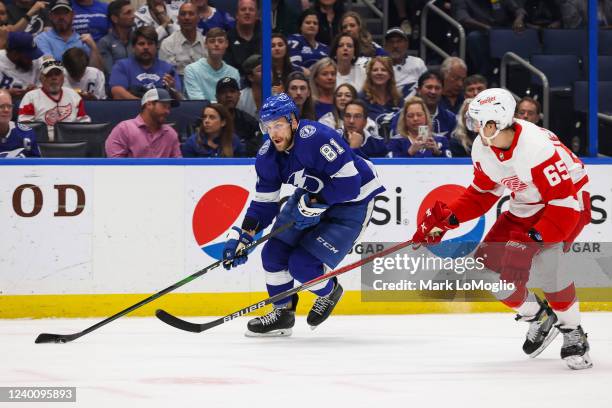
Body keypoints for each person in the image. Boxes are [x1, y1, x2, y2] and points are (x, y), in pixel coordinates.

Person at [411, 88, 592, 370]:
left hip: (567, 206)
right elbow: (482, 193)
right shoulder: (483, 148)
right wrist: (447, 221)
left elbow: (564, 205)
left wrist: (532, 240)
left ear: (495, 123)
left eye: (477, 122)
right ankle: (538, 317)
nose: (473, 128)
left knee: (548, 268)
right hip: (525, 206)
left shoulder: (536, 149)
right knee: (484, 268)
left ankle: (573, 332)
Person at [222, 92, 385, 337]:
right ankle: (282, 314)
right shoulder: (267, 157)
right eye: (268, 127)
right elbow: (264, 204)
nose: (274, 133)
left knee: (302, 266)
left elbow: (350, 185)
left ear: (293, 121)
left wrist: (316, 203)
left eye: (279, 125)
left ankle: (329, 292)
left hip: (354, 202)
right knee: (273, 253)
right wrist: (245, 237)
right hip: (313, 194)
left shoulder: (316, 138)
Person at [18, 57, 91, 141]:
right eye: (49, 75)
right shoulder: (30, 97)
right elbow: (24, 127)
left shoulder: (74, 96)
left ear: (63, 77)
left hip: (71, 144)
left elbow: (84, 124)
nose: (54, 78)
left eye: (57, 74)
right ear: (41, 78)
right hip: (42, 145)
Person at [105, 87, 181, 158]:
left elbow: (179, 165)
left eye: (169, 108)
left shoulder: (171, 133)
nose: (167, 111)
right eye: (164, 106)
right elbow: (115, 165)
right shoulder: (124, 129)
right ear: (149, 104)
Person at [110, 26, 182, 100]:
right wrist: (144, 104)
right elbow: (117, 93)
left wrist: (173, 90)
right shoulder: (122, 66)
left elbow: (179, 99)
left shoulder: (168, 68)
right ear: (133, 48)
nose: (146, 47)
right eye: (141, 44)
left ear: (157, 46)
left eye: (150, 43)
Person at [34, 0, 103, 70]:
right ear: (50, 16)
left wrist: (93, 48)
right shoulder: (42, 39)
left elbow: (96, 72)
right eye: (57, 13)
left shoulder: (83, 41)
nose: (61, 17)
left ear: (73, 15)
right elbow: (50, 69)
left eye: (65, 13)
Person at [184, 27, 239, 101]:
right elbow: (198, 101)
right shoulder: (191, 70)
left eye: (220, 41)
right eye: (212, 41)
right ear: (205, 44)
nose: (216, 44)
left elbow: (235, 101)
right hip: (202, 112)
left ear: (226, 44)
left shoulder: (234, 72)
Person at [215, 76, 261, 157]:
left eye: (232, 91)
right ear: (216, 97)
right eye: (223, 92)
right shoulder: (209, 119)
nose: (228, 95)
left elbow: (258, 144)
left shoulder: (248, 121)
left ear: (239, 95)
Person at [159, 2, 207, 77]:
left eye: (191, 14)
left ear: (198, 18)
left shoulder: (206, 43)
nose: (187, 17)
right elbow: (167, 73)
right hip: (178, 83)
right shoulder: (168, 44)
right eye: (183, 14)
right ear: (178, 19)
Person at [383, 27, 426, 98]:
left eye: (399, 41)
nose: (395, 46)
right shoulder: (379, 66)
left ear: (406, 44)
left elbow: (427, 86)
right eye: (391, 42)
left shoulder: (418, 63)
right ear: (385, 46)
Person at [358, 56, 402, 122]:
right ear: (369, 75)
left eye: (383, 70)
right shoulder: (361, 99)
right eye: (375, 70)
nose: (379, 73)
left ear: (390, 74)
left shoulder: (398, 99)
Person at [0, 32, 43, 99]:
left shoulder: (37, 61)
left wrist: (37, 90)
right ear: (15, 54)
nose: (32, 60)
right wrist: (6, 93)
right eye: (28, 57)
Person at [98, 0, 135, 76]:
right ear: (115, 18)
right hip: (117, 84)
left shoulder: (138, 38)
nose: (133, 16)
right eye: (128, 13)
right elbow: (110, 72)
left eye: (132, 12)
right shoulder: (105, 42)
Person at [224, 0, 261, 75]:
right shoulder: (227, 39)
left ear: (257, 15)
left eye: (251, 9)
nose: (247, 12)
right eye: (243, 9)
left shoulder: (265, 38)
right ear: (237, 15)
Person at [0, 89, 40, 158]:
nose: (6, 110)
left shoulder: (26, 133)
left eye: (9, 106)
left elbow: (36, 165)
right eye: (1, 106)